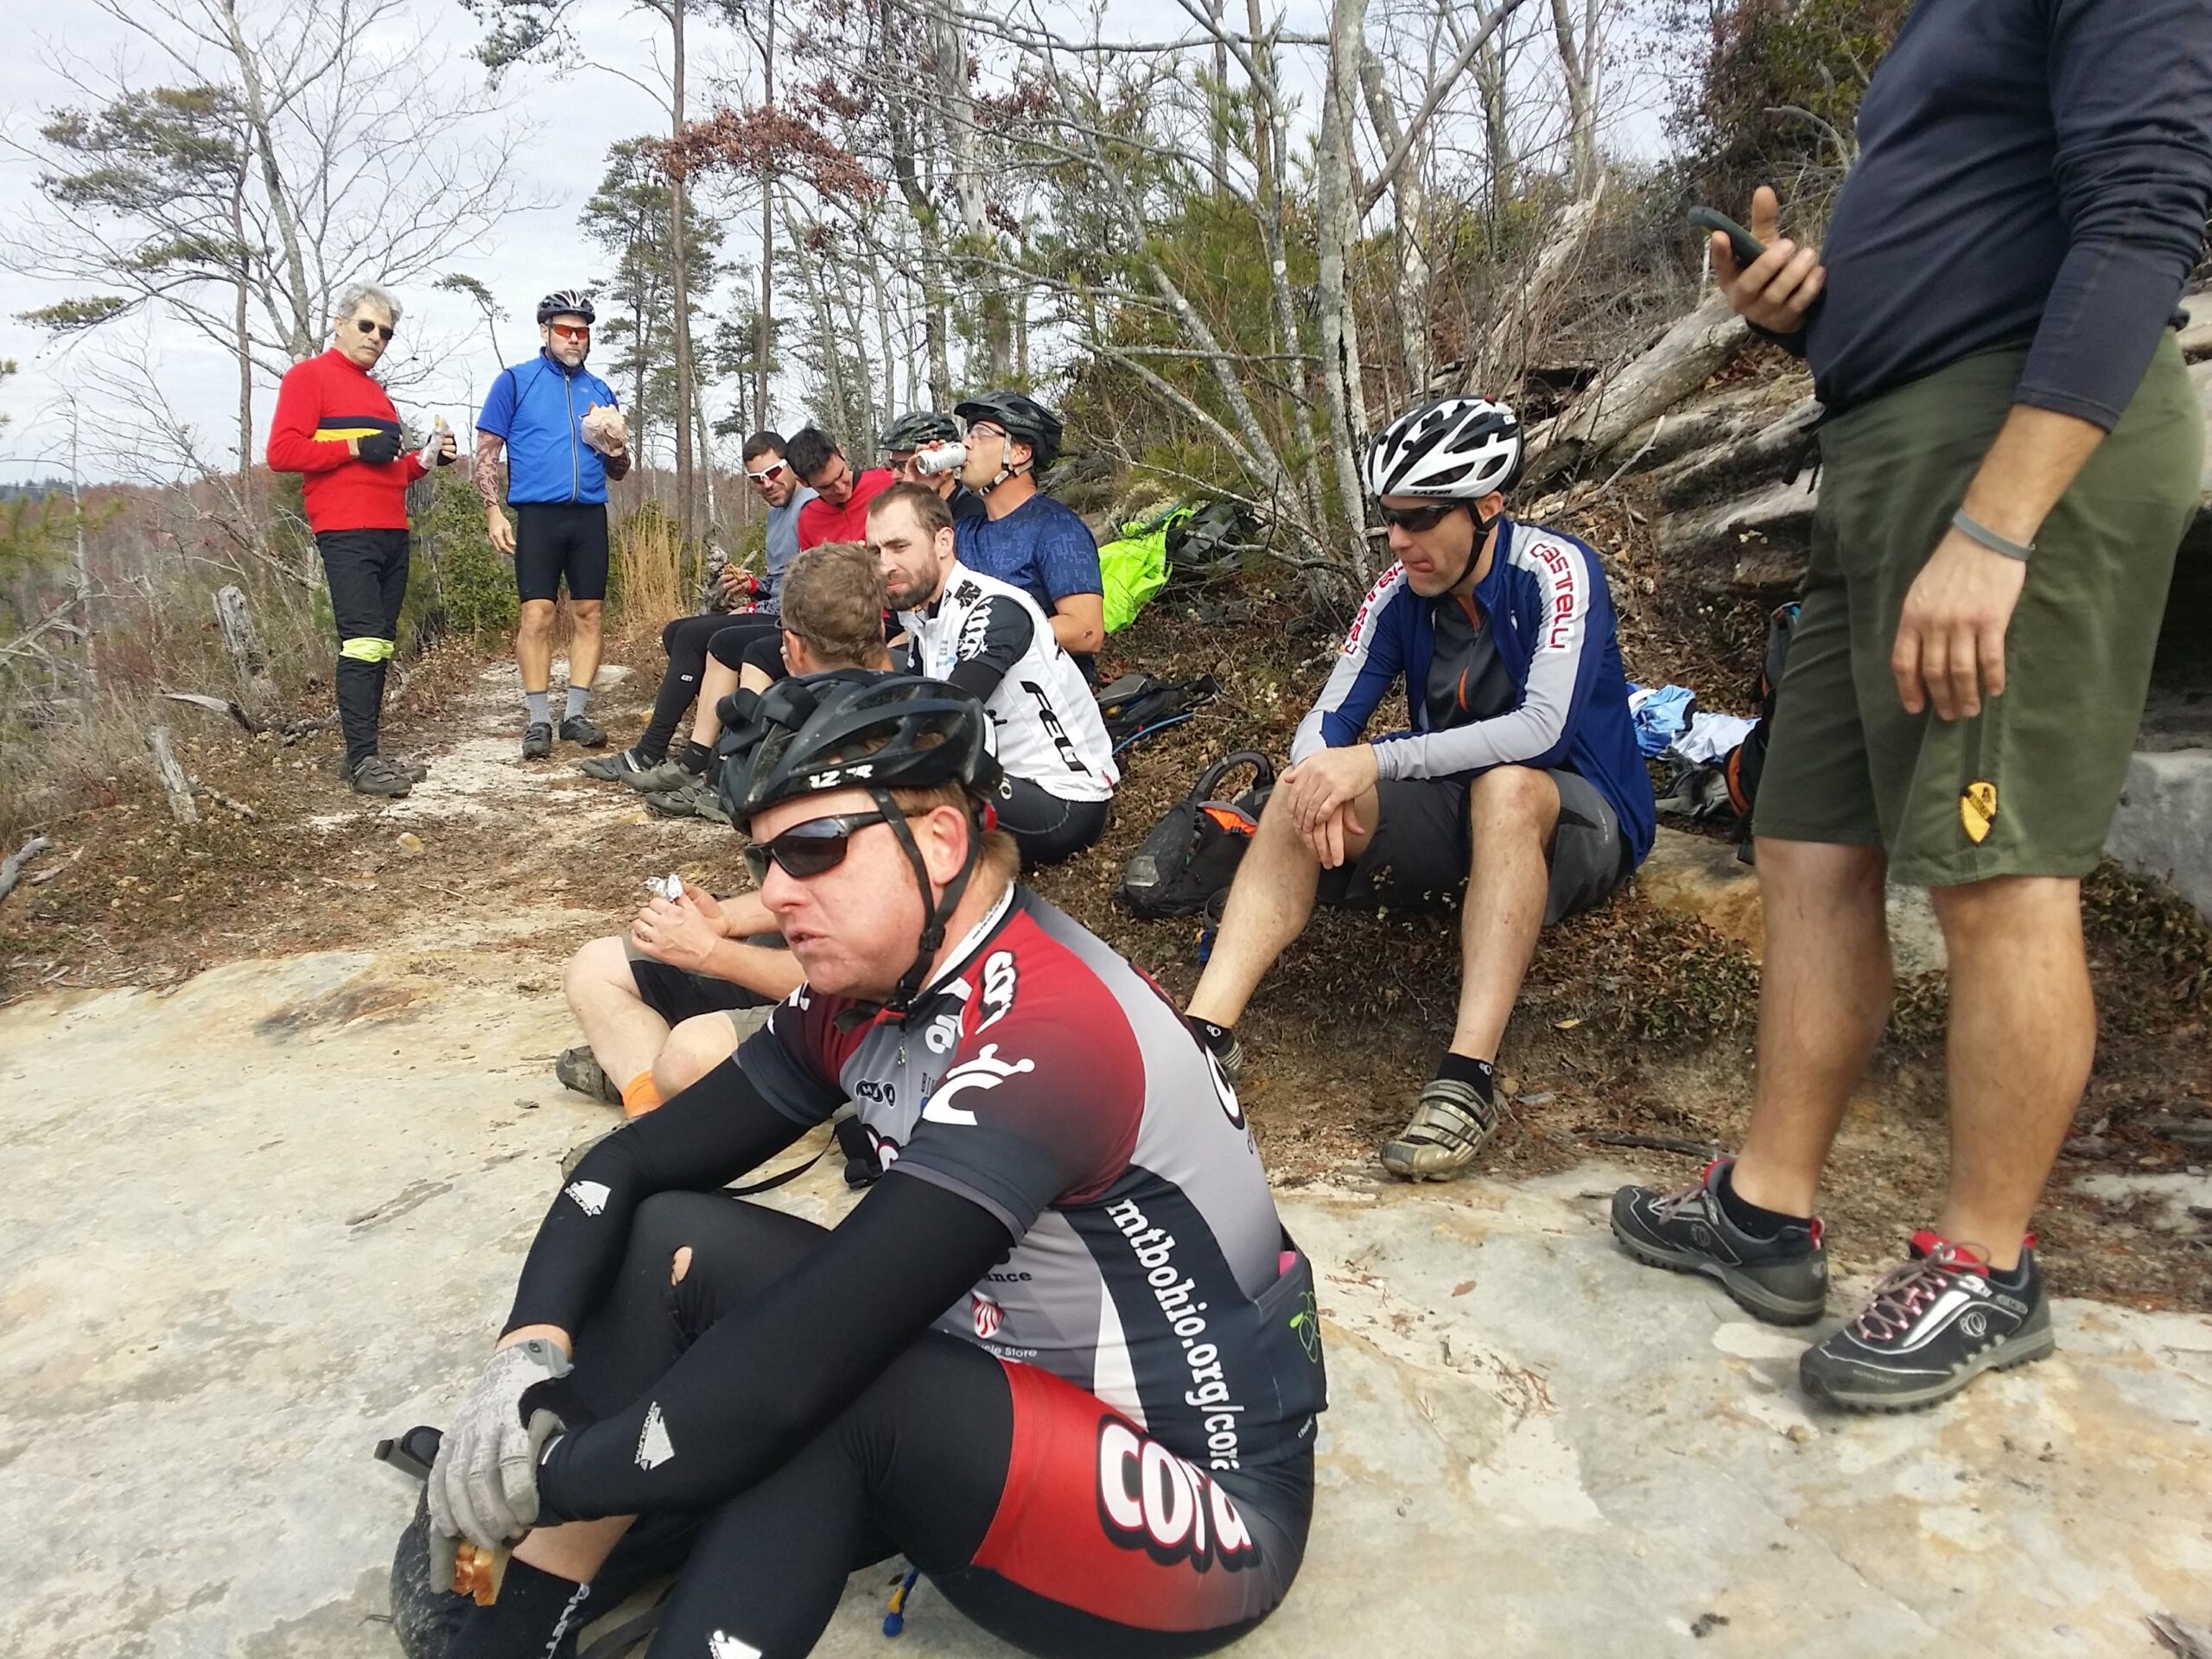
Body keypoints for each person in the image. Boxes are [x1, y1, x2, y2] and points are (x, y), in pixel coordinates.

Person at [412, 671, 1325, 1659]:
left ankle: (569, 1548)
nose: (771, 895)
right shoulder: (872, 983)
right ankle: (524, 1603)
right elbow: (626, 1165)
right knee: (670, 1237)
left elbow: (797, 1368)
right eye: (763, 860)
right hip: (997, 1402)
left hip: (1204, 1510)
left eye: (812, 850)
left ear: (939, 843)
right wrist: (523, 1361)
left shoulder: (1051, 1037)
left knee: (825, 1393)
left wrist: (545, 1471)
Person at [1611, 6, 2212, 1413]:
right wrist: (1806, 311)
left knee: (1999, 871)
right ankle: (1766, 1213)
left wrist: (1998, 531)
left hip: (2017, 453)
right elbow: (1968, 243)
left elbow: (2143, 211)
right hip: (1880, 455)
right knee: (1809, 841)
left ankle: (1986, 1266)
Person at [1183, 398, 1654, 1180]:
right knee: (1302, 788)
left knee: (1506, 787)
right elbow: (1329, 716)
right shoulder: (1400, 589)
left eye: (1420, 519)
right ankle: (1204, 1036)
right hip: (1458, 812)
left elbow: (1544, 731)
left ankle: (1468, 1077)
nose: (1399, 540)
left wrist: (1377, 763)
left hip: (1579, 815)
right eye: (1390, 520)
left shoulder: (1556, 570)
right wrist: (1321, 777)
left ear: (1489, 507)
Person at [557, 540, 899, 1113]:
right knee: (595, 967)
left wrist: (710, 954)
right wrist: (724, 918)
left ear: (788, 647)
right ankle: (654, 1112)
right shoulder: (885, 718)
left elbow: (848, 971)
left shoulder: (857, 755)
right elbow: (813, 894)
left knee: (688, 1056)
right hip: (805, 964)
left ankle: (656, 1114)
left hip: (868, 1012)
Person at [267, 282, 457, 798]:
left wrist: (425, 459)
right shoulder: (308, 377)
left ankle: (368, 753)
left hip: (392, 530)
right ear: (340, 323)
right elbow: (282, 451)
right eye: (368, 326)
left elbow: (388, 474)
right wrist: (355, 444)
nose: (377, 338)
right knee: (362, 640)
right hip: (345, 531)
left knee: (380, 643)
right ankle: (360, 760)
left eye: (387, 333)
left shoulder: (376, 392)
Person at [872, 481, 1118, 866]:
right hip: (1007, 776)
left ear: (943, 542)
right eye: (875, 551)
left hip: (1065, 799)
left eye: (899, 547)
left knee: (902, 788)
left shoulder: (996, 609)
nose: (884, 565)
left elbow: (945, 714)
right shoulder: (925, 615)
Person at [580, 431, 813, 791]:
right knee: (676, 631)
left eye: (774, 472)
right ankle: (700, 730)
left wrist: (756, 605)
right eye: (756, 479)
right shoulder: (776, 514)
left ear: (792, 466)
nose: (767, 484)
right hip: (773, 608)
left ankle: (655, 751)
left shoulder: (808, 507)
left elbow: (808, 590)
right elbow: (784, 579)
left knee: (696, 637)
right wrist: (755, 585)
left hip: (793, 620)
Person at [475, 290, 632, 760]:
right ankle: (538, 719)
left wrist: (618, 445)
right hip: (538, 513)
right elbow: (486, 451)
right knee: (537, 615)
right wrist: (492, 509)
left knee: (590, 615)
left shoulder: (600, 391)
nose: (574, 339)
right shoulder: (515, 382)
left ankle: (576, 714)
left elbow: (619, 470)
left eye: (582, 331)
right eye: (565, 330)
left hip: (588, 515)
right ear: (545, 331)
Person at [950, 391, 1105, 675]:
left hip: (1045, 702)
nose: (965, 443)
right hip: (977, 694)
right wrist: (914, 485)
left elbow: (1087, 631)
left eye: (981, 433)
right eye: (968, 433)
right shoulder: (964, 531)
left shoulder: (1056, 528)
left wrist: (996, 636)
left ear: (1020, 452)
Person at [789, 425, 893, 550]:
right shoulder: (808, 520)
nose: (841, 489)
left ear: (840, 452)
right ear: (803, 482)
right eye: (826, 487)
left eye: (841, 474)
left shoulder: (888, 483)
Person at [881, 408, 986, 521]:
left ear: (941, 462)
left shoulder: (971, 515)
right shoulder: (916, 511)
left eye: (904, 466)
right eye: (893, 465)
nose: (894, 475)